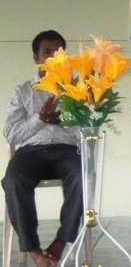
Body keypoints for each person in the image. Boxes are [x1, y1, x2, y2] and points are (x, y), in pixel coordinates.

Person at [2, 30, 81, 267]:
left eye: (59, 52)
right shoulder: (23, 91)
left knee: (83, 176)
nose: (54, 57)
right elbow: (11, 134)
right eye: (47, 52)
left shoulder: (77, 89)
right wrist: (40, 119)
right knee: (13, 180)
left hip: (66, 151)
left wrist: (64, 121)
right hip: (30, 152)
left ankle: (60, 242)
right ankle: (34, 251)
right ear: (36, 58)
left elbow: (87, 132)